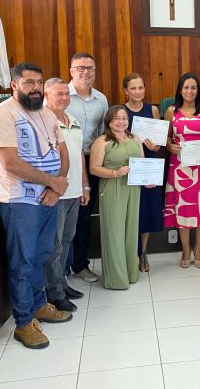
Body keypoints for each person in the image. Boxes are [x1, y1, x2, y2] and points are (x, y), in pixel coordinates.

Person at [0, 63, 72, 349]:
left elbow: (62, 151)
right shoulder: (2, 115)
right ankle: (23, 323)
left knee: (43, 254)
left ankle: (38, 305)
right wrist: (53, 183)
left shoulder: (45, 113)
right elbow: (10, 162)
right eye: (29, 82)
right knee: (23, 261)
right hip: (19, 199)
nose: (35, 87)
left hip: (48, 196)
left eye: (39, 82)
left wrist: (57, 185)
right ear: (14, 85)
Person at [164, 73, 200, 268]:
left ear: (198, 91)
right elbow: (167, 137)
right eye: (186, 87)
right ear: (180, 90)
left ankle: (198, 249)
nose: (189, 91)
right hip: (180, 169)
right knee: (184, 210)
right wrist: (169, 145)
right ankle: (185, 249)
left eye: (193, 88)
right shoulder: (172, 111)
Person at [43, 78, 90, 312]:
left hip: (73, 191)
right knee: (55, 246)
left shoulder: (73, 120)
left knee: (66, 240)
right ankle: (54, 293)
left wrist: (84, 186)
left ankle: (62, 282)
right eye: (58, 94)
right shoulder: (42, 121)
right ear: (46, 95)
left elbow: (79, 155)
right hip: (55, 194)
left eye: (66, 94)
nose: (64, 98)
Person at [89, 106, 146, 290]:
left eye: (124, 118)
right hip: (112, 188)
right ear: (109, 121)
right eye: (116, 118)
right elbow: (94, 168)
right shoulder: (102, 141)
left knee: (130, 231)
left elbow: (143, 164)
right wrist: (115, 172)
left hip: (133, 188)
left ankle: (130, 272)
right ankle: (116, 279)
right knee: (114, 232)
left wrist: (147, 180)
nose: (121, 122)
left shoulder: (135, 138)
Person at [66, 52, 108, 283]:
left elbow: (104, 133)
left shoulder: (101, 99)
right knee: (63, 218)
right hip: (64, 164)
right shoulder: (60, 96)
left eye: (90, 68)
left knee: (83, 216)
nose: (85, 72)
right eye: (80, 68)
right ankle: (60, 268)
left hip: (90, 164)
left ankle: (80, 265)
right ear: (71, 71)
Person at [123, 73, 164, 272]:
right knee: (132, 211)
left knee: (146, 211)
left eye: (140, 88)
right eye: (133, 88)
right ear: (126, 91)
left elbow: (158, 144)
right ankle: (130, 253)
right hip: (129, 166)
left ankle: (143, 253)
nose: (137, 92)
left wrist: (154, 146)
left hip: (149, 164)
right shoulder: (120, 112)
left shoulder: (153, 110)